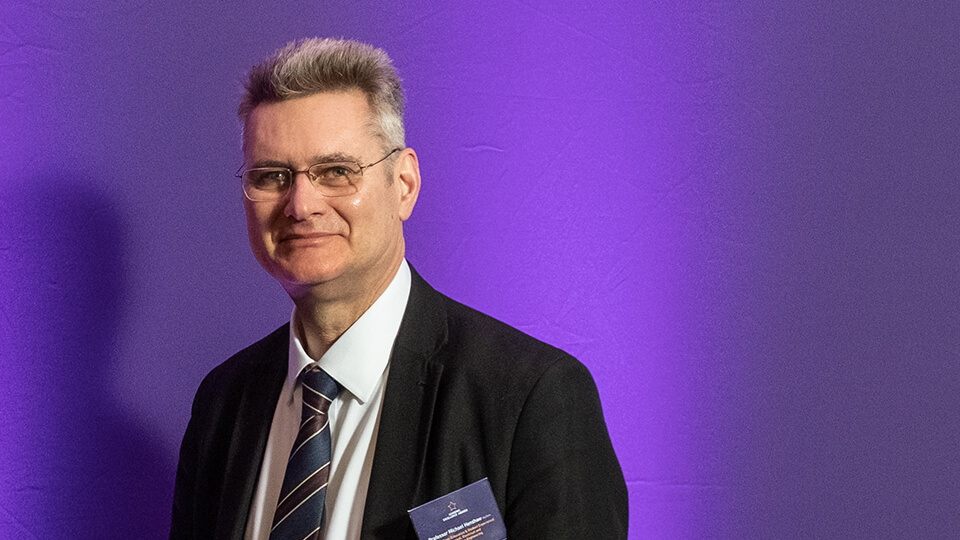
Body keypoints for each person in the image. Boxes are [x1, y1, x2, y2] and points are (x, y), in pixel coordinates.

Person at [170, 37, 627, 540]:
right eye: (273, 176)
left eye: (337, 171)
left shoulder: (530, 399)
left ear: (404, 184)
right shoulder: (223, 403)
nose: (301, 204)